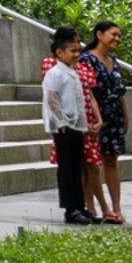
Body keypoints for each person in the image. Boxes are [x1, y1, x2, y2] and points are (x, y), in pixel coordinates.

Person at [41, 28, 97, 225]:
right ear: (59, 52)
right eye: (72, 51)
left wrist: (83, 123)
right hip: (64, 127)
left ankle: (80, 206)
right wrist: (61, 121)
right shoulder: (54, 73)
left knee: (76, 166)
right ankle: (70, 208)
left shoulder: (72, 72)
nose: (76, 54)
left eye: (77, 50)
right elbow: (52, 99)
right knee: (66, 168)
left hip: (76, 125)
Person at [85, 21, 132, 224]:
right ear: (99, 35)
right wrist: (95, 118)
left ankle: (116, 208)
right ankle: (93, 207)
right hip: (95, 117)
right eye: (113, 34)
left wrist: (125, 114)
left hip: (114, 116)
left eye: (119, 35)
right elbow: (87, 91)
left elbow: (120, 91)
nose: (117, 38)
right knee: (92, 163)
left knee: (111, 160)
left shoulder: (114, 62)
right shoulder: (87, 59)